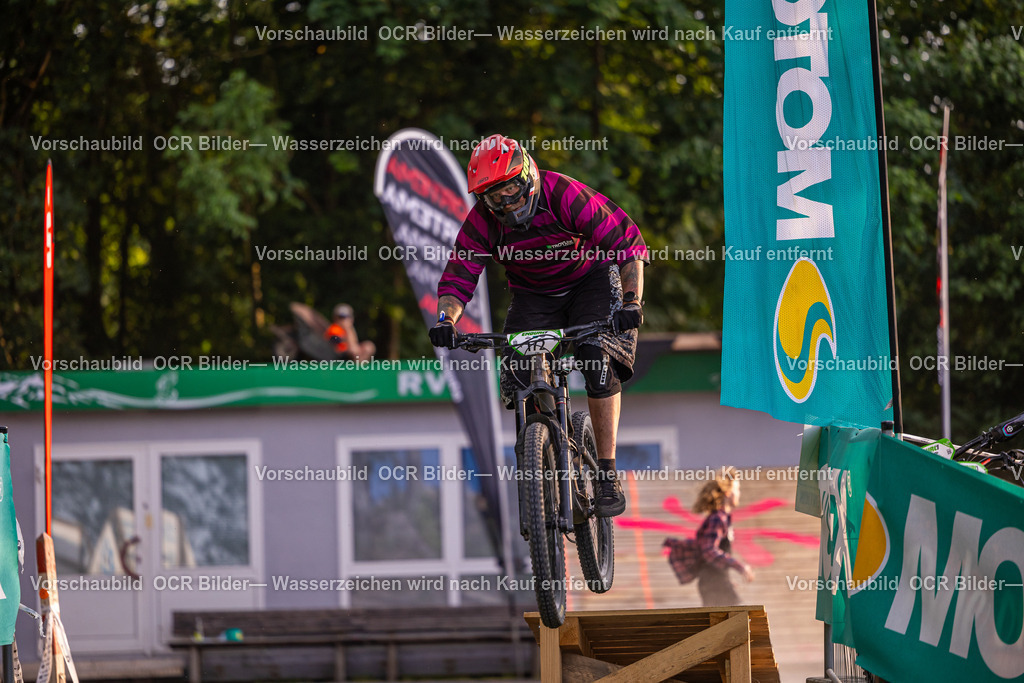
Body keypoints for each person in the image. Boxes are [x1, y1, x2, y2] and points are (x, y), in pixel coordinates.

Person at [428, 133, 649, 517]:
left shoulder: (563, 194)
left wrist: (632, 302)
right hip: (534, 296)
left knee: (597, 361)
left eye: (511, 188)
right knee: (518, 374)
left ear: (527, 174)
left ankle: (607, 474)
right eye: (494, 197)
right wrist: (446, 319)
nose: (507, 202)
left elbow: (627, 244)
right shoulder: (483, 222)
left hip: (590, 281)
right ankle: (542, 453)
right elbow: (459, 277)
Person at [690, 467, 755, 606]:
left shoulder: (721, 518)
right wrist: (740, 567)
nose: (739, 493)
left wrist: (724, 578)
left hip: (715, 583)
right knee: (738, 621)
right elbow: (708, 550)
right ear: (728, 493)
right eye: (737, 489)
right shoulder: (717, 519)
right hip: (713, 584)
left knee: (732, 623)